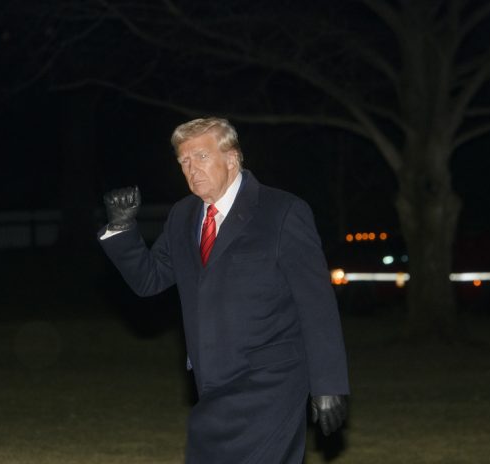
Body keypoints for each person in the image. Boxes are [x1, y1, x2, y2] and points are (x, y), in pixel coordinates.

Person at [99, 117, 349, 463]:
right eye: (184, 161)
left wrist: (328, 383)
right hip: (212, 383)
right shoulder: (183, 216)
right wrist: (122, 228)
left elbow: (316, 304)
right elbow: (149, 280)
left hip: (272, 381)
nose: (191, 169)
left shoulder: (281, 211)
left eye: (201, 157)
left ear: (232, 158)